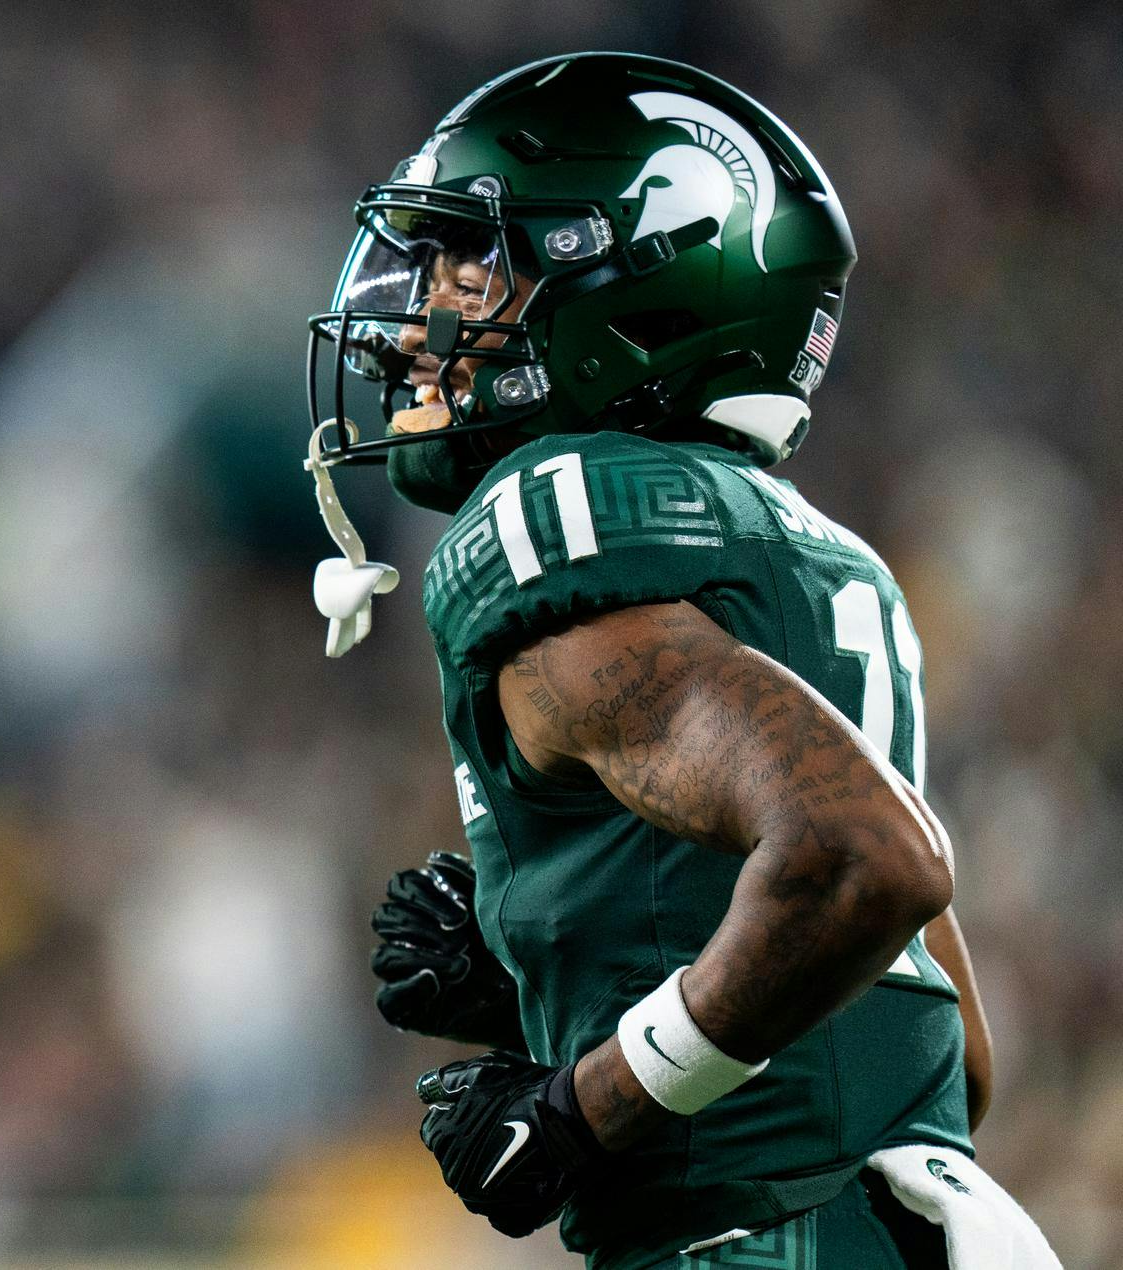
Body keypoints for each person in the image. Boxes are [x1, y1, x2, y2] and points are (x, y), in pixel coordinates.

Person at [303, 53, 1058, 1267]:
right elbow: (943, 1042)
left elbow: (862, 859)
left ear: (630, 286)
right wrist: (549, 966)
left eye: (472, 262)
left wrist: (585, 1102)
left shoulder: (560, 520)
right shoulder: (808, 554)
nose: (416, 314)